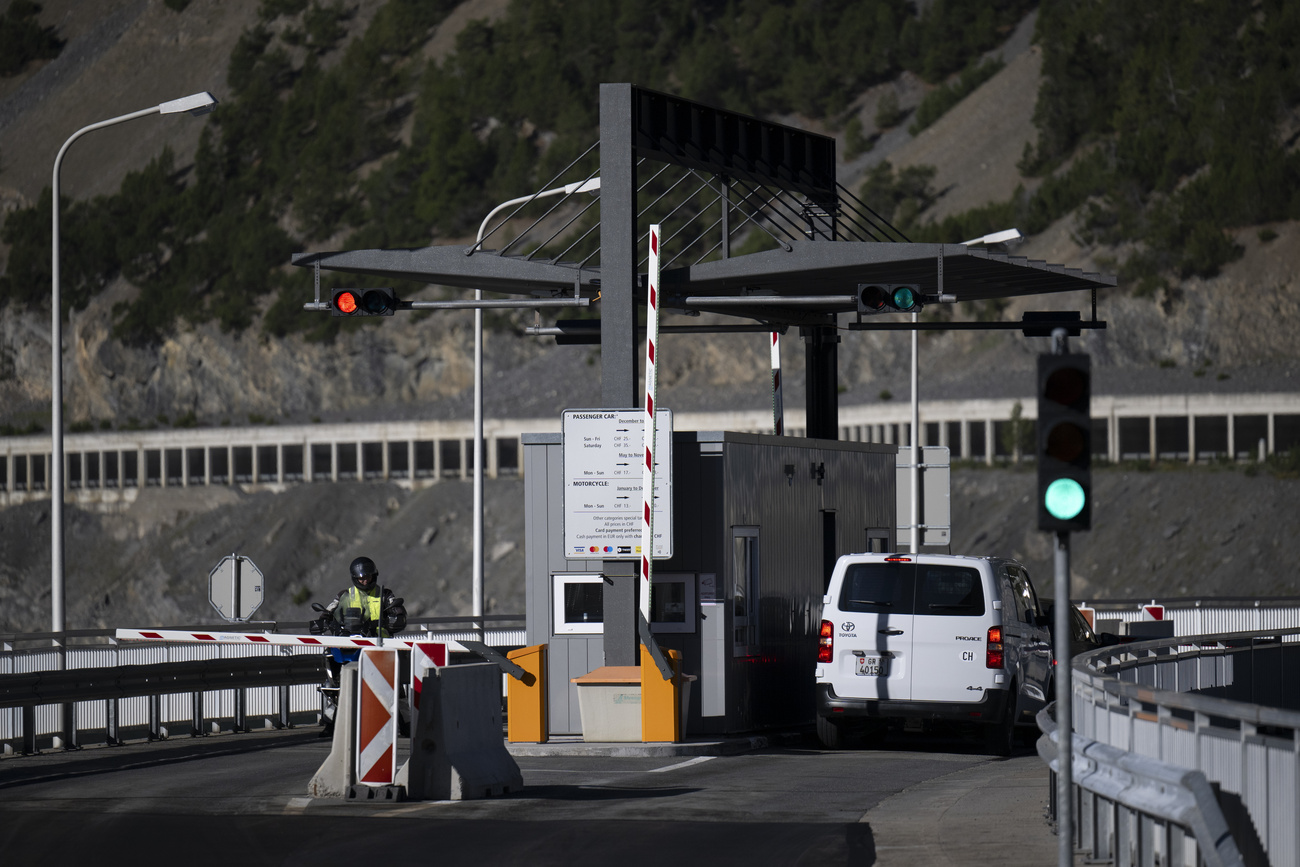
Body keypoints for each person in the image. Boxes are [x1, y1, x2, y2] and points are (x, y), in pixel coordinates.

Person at [319, 556, 407, 637]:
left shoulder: (385, 594)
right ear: (355, 578)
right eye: (361, 578)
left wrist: (398, 618)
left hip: (380, 643)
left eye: (368, 577)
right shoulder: (345, 595)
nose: (365, 581)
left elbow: (398, 610)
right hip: (352, 642)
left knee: (399, 653)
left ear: (373, 575)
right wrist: (320, 623)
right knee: (328, 653)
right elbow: (328, 613)